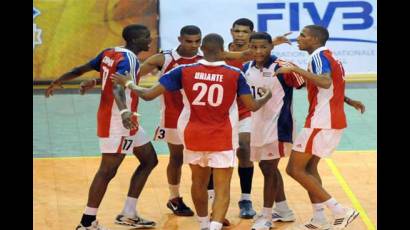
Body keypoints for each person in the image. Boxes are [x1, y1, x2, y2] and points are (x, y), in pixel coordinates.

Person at [111, 33, 272, 230]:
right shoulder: (235, 73)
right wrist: (267, 96)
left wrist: (129, 83)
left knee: (198, 182)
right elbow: (252, 106)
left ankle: (204, 224)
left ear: (202, 48)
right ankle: (214, 227)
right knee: (222, 187)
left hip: (192, 134)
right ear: (222, 51)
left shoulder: (183, 70)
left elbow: (147, 95)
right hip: (222, 136)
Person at [45, 24, 157, 230]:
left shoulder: (110, 52)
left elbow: (82, 70)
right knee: (107, 171)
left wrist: (60, 80)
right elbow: (117, 86)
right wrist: (124, 112)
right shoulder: (130, 58)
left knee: (150, 160)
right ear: (134, 40)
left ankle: (128, 213)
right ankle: (87, 223)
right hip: (120, 121)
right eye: (146, 37)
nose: (150, 39)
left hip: (126, 121)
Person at [274, 25, 361, 230]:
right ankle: (319, 218)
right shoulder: (331, 57)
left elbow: (324, 81)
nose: (298, 38)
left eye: (303, 35)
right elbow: (332, 86)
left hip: (321, 122)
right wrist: (349, 100)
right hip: (331, 120)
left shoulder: (317, 57)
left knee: (294, 169)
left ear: (314, 39)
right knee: (309, 168)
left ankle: (341, 211)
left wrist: (295, 69)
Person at [243, 32, 305, 230]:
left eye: (263, 47)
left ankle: (267, 217)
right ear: (249, 48)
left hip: (279, 125)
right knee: (266, 167)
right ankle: (284, 210)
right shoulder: (246, 67)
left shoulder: (281, 66)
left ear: (271, 47)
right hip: (258, 125)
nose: (259, 51)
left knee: (269, 168)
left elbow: (308, 82)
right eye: (254, 47)